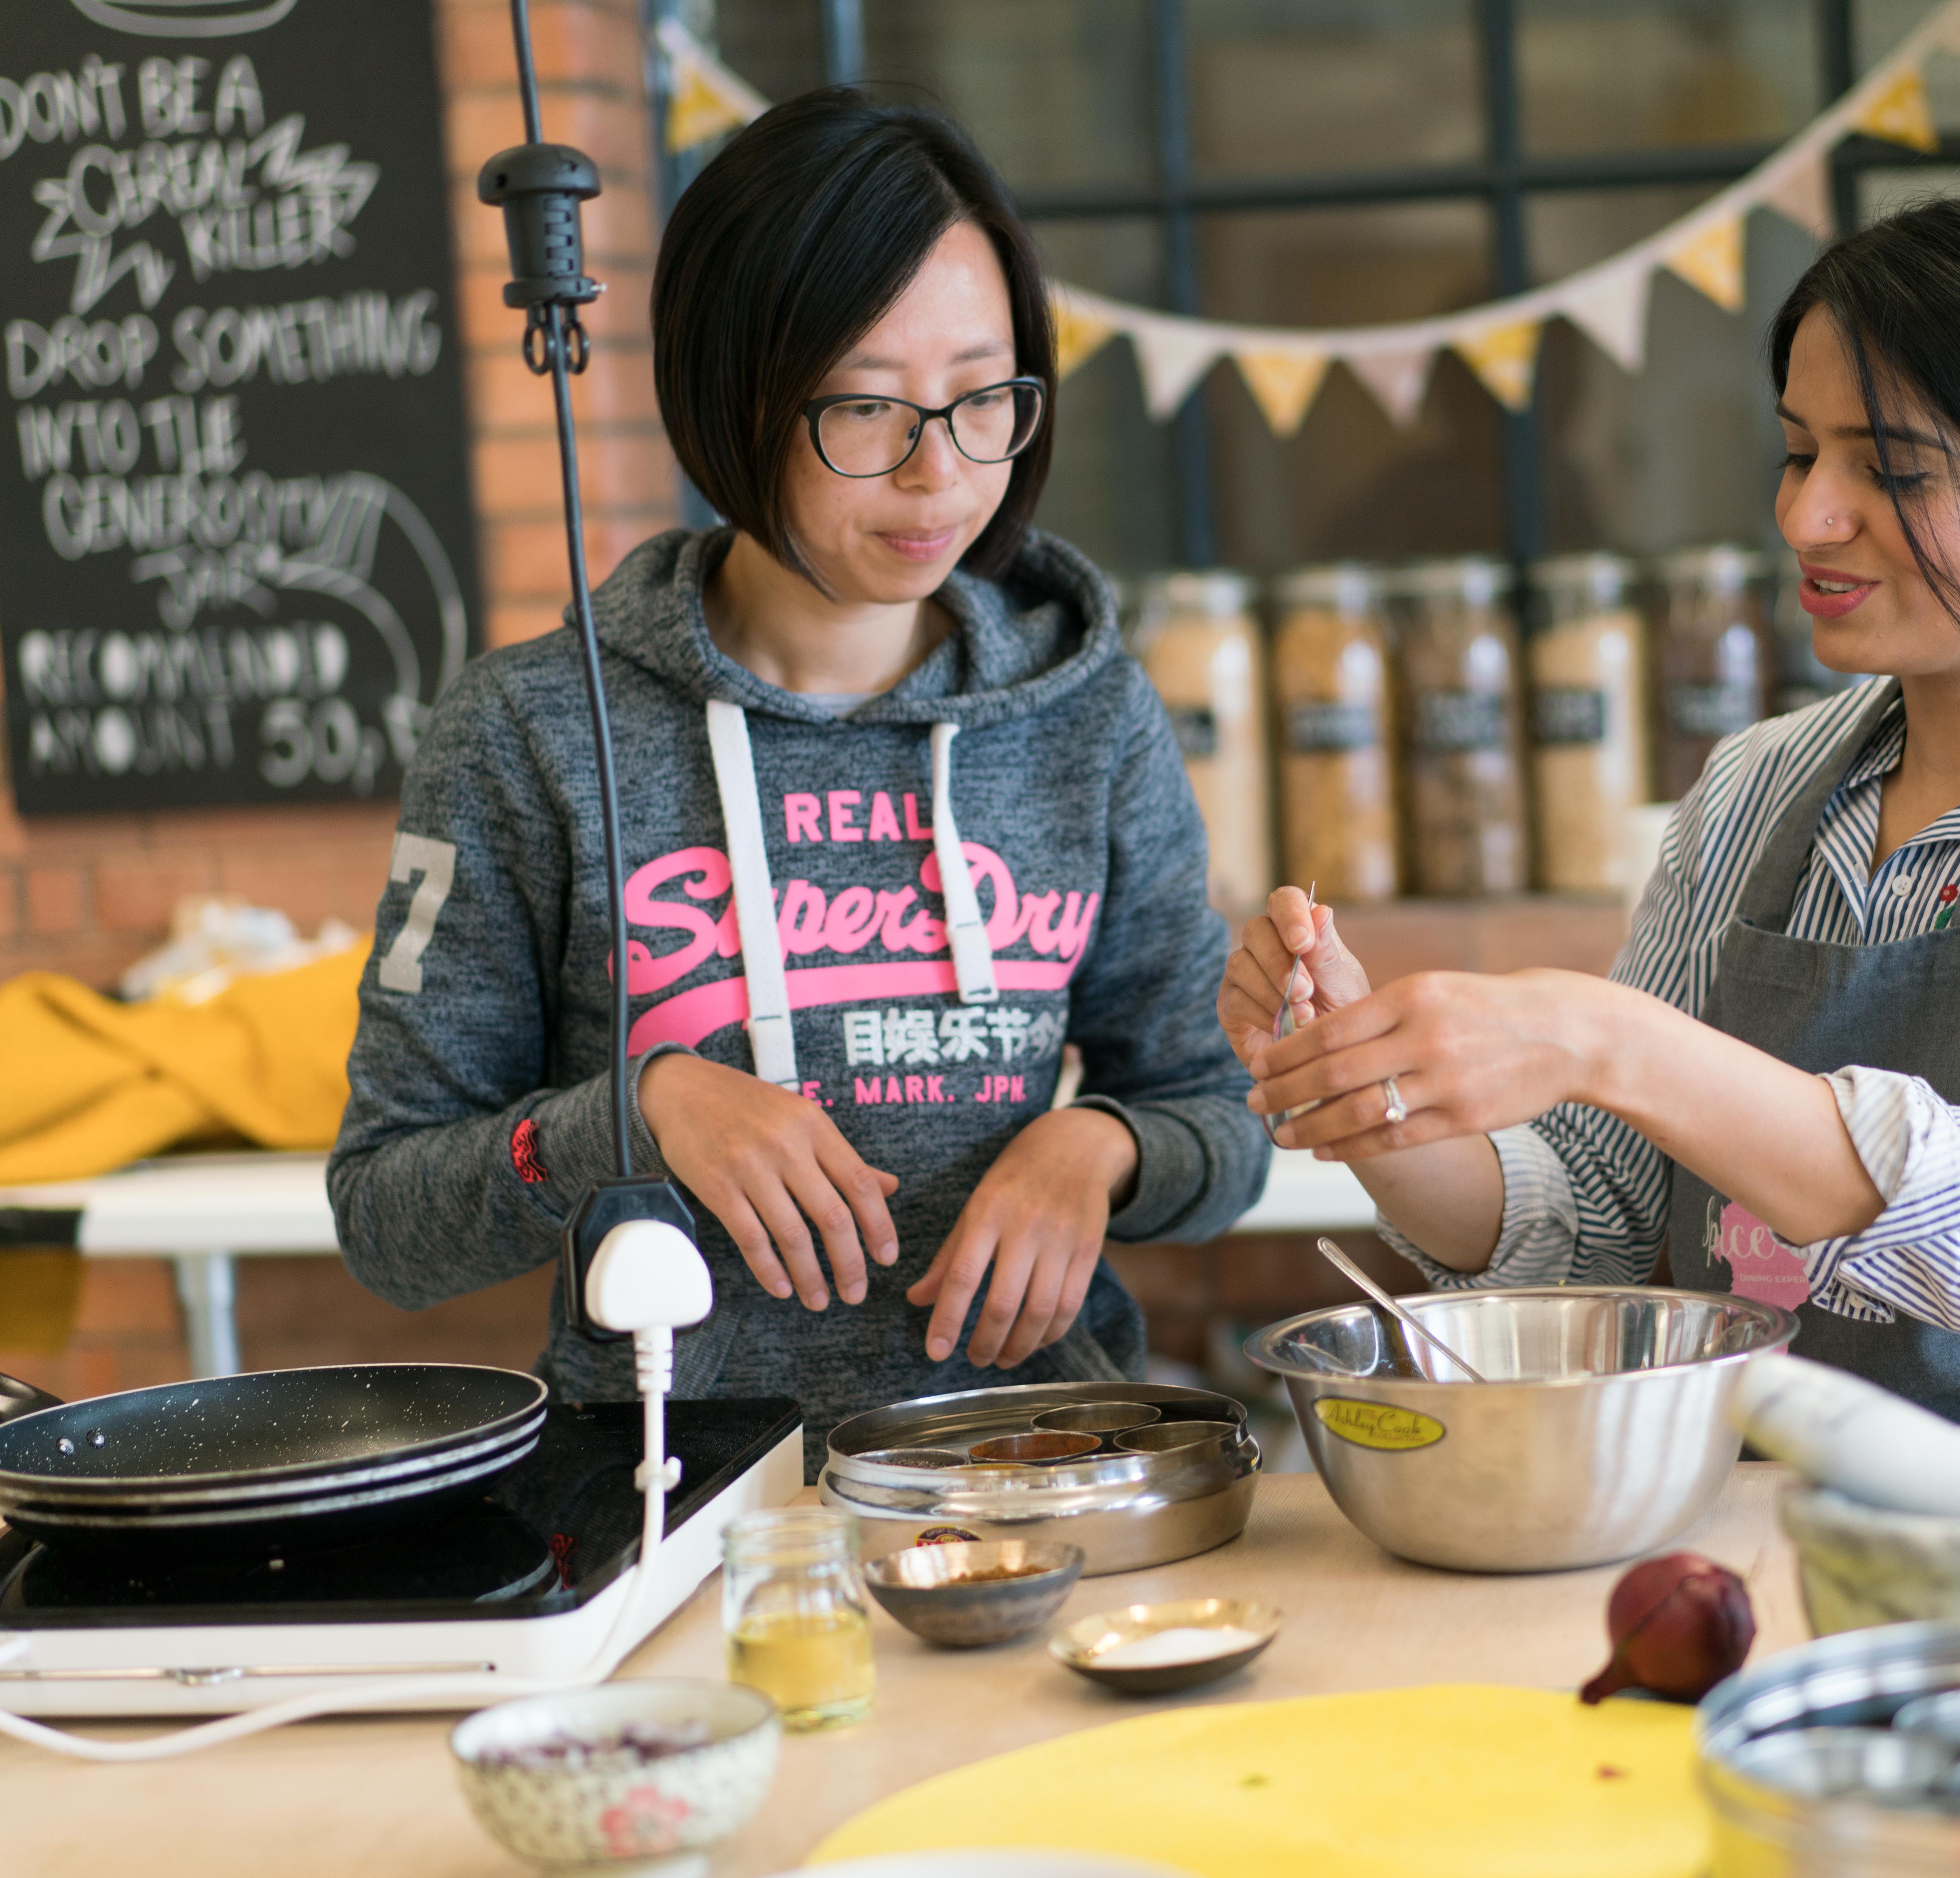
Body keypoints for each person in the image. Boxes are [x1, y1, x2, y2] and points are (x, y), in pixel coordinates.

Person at [1221, 190, 1960, 1445]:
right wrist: (1372, 1095)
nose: (1805, 518)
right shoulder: (1756, 793)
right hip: (1768, 1523)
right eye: (1798, 452)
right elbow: (1611, 1227)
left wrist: (1605, 1038)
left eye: (1888, 470)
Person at [331, 91, 1266, 1468]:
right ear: (735, 397)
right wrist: (633, 1110)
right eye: (868, 408)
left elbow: (1219, 1125)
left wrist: (1102, 1149)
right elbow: (387, 1217)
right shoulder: (531, 730)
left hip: (1034, 1463)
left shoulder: (1088, 714)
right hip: (672, 1500)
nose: (938, 473)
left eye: (981, 396)